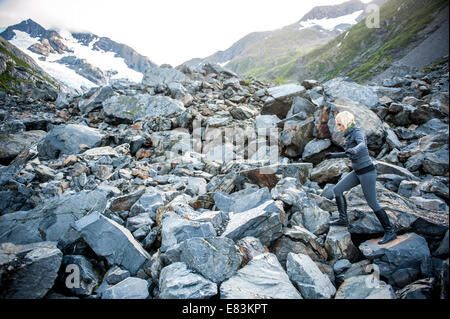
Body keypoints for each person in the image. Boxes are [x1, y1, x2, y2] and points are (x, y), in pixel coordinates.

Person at [324, 111, 397, 245]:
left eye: (340, 124)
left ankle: (390, 231)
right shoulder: (349, 135)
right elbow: (349, 153)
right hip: (357, 172)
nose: (338, 127)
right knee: (337, 190)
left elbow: (362, 145)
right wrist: (333, 156)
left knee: (372, 202)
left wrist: (355, 150)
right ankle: (343, 219)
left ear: (346, 122)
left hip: (367, 172)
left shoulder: (357, 133)